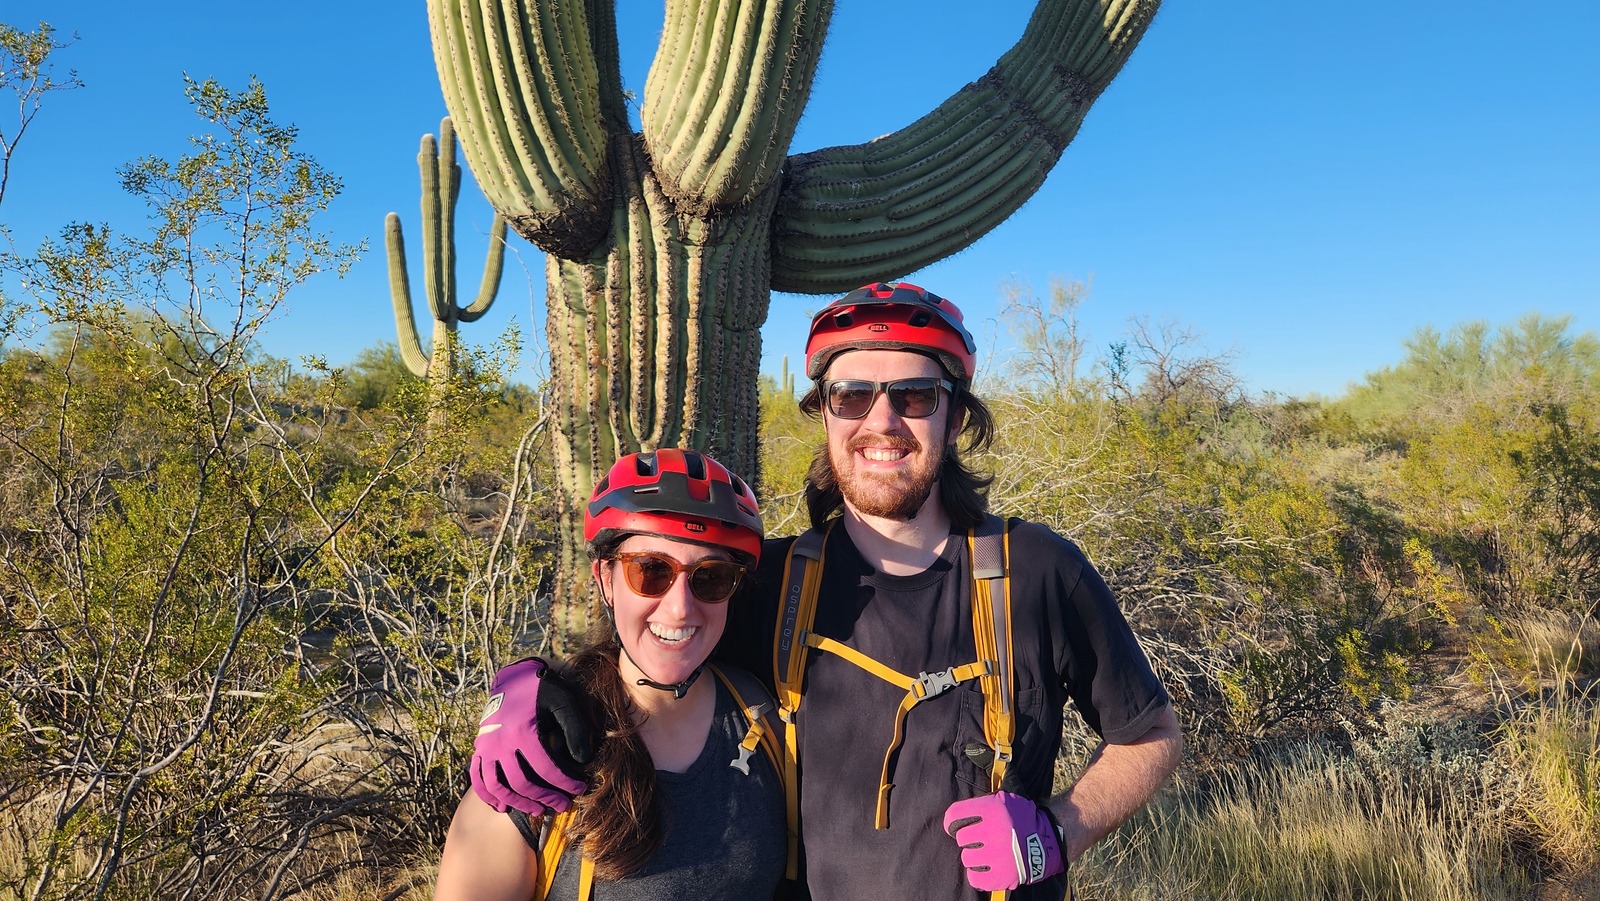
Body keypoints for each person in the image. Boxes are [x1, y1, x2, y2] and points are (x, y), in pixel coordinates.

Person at [472, 283, 1183, 901]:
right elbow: (655, 642)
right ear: (825, 413)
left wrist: (1060, 829)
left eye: (914, 395)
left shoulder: (1038, 571)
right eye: (852, 395)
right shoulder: (769, 583)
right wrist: (534, 685)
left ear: (955, 416)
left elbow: (1150, 733)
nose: (881, 421)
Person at [435, 449, 787, 901]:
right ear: (605, 579)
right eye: (651, 570)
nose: (680, 606)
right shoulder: (535, 763)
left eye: (711, 577)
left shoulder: (763, 714)